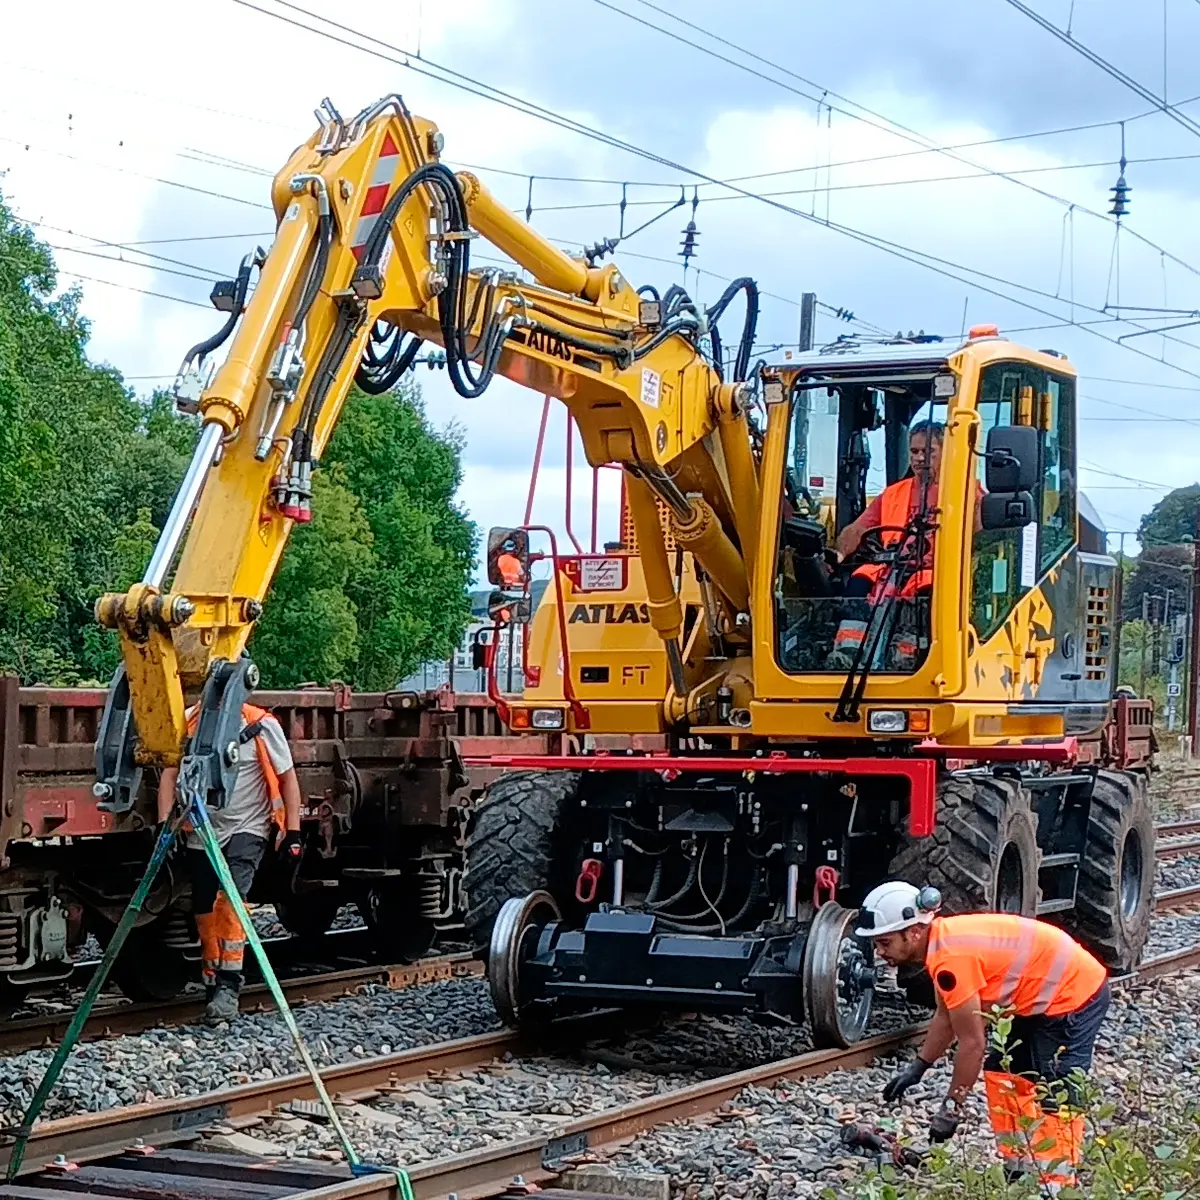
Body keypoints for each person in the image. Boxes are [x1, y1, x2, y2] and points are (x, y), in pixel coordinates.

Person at [857, 880, 1110, 1193]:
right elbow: (946, 1017)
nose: (880, 953)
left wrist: (952, 1107)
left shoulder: (951, 960)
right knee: (1003, 1072)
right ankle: (1018, 1168)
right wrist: (919, 1066)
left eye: (884, 943)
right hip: (1043, 998)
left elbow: (973, 1044)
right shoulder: (942, 944)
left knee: (1056, 1087)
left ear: (914, 932)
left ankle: (1057, 1185)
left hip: (1075, 995)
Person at [158, 699, 304, 1024]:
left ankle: (229, 985)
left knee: (230, 903)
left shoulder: (261, 725)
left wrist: (293, 831)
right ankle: (211, 982)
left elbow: (288, 778)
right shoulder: (187, 722)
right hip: (201, 831)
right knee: (204, 910)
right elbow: (169, 776)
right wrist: (164, 827)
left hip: (247, 827)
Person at [827, 421, 981, 670]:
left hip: (937, 569)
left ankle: (907, 659)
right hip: (889, 566)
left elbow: (982, 535)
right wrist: (838, 553)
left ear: (946, 451)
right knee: (858, 581)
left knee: (922, 594)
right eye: (914, 452)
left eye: (928, 451)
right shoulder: (893, 493)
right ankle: (847, 654)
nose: (920, 458)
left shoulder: (966, 491)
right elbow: (857, 530)